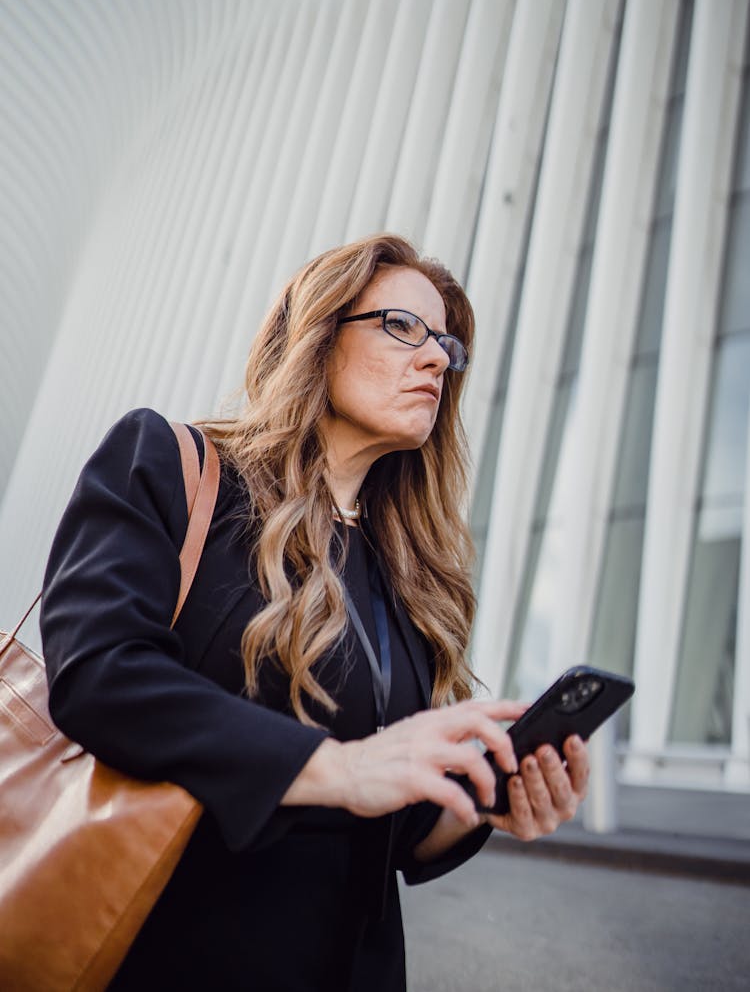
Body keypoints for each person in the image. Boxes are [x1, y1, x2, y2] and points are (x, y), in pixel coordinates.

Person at [40, 233, 588, 991]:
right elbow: (98, 674)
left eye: (447, 345)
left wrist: (485, 797)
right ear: (319, 334)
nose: (435, 359)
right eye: (403, 327)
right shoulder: (170, 465)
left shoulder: (411, 569)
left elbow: (397, 830)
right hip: (169, 948)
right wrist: (338, 766)